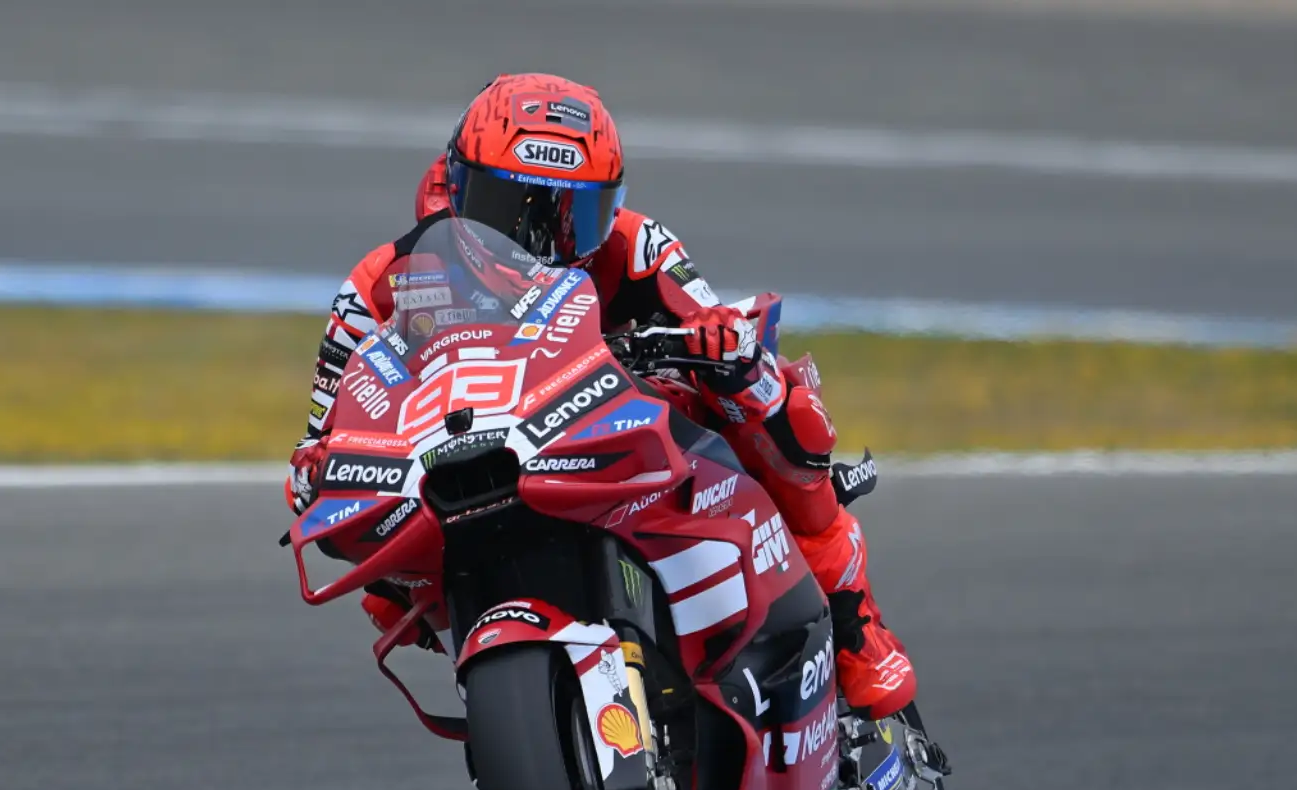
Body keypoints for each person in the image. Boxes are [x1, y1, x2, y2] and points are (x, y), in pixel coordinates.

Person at [287, 73, 916, 720]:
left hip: (620, 437)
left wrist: (723, 352)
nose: (538, 241)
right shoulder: (382, 283)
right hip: (477, 457)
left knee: (781, 412)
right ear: (456, 185)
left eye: (570, 216)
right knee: (382, 592)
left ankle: (855, 622)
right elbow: (320, 436)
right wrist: (318, 474)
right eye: (512, 210)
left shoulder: (637, 247)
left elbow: (717, 329)